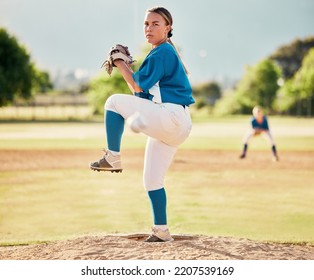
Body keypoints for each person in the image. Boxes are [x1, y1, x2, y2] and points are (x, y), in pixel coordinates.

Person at [89, 6, 195, 242]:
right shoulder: (161, 53)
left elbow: (136, 85)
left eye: (156, 24)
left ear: (168, 28)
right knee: (152, 180)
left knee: (112, 102)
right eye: (146, 24)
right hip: (175, 124)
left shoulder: (162, 52)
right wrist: (124, 66)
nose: (149, 28)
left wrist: (120, 63)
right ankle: (161, 230)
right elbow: (140, 93)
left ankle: (113, 156)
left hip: (171, 116)